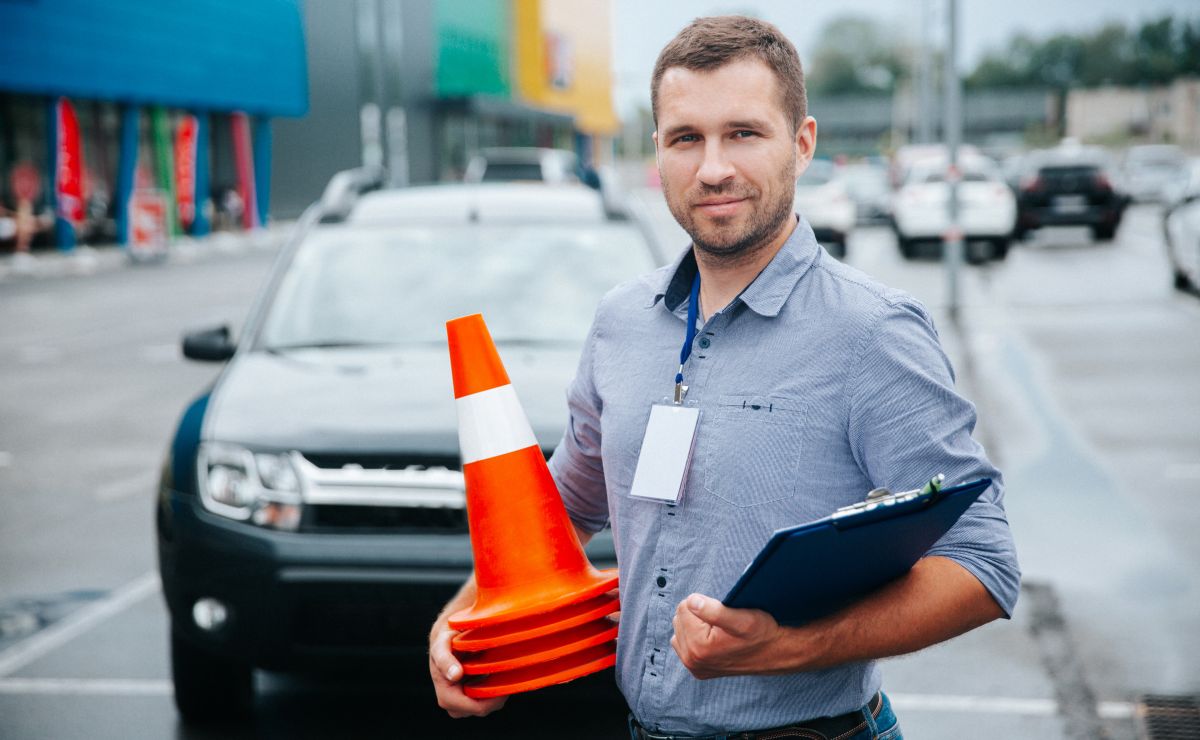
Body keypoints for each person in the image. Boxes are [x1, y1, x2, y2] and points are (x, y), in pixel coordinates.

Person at [429, 15, 1019, 739]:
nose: (713, 168)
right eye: (687, 138)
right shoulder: (621, 322)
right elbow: (560, 513)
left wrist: (790, 648)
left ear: (802, 143)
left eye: (743, 133)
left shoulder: (872, 333)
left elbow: (983, 564)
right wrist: (461, 625)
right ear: (658, 152)